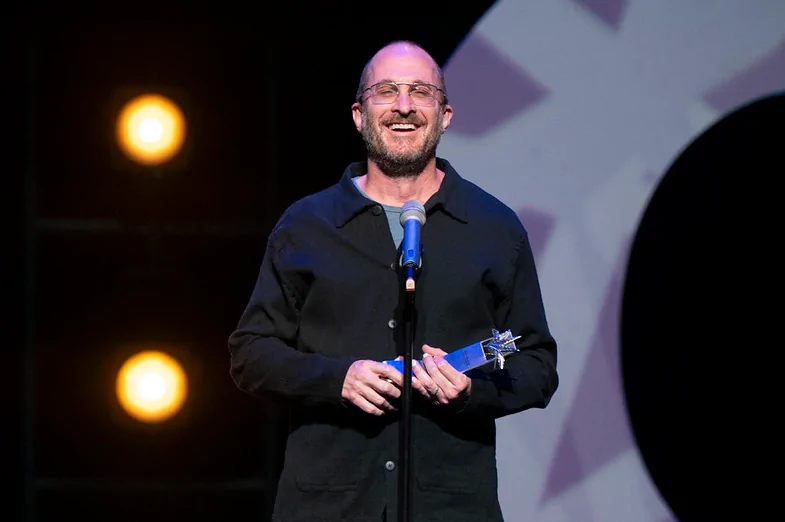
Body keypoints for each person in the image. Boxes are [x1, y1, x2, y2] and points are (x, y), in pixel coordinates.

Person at [228, 40, 558, 522]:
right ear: (359, 115)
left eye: (420, 92)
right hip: (328, 507)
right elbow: (251, 354)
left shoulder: (494, 227)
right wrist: (337, 380)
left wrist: (472, 392)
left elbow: (537, 364)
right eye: (386, 91)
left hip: (450, 509)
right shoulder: (307, 225)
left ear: (445, 116)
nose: (404, 105)